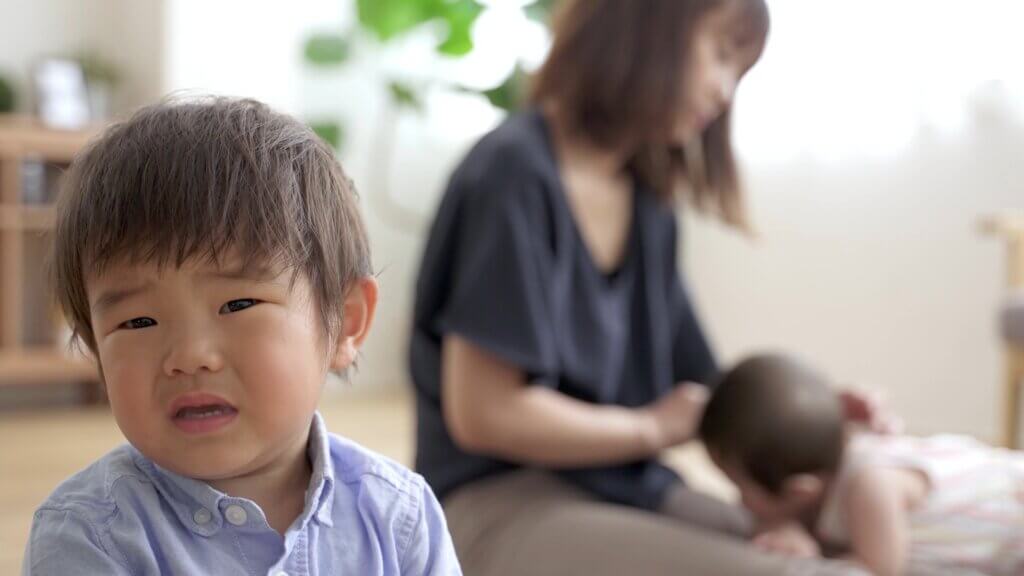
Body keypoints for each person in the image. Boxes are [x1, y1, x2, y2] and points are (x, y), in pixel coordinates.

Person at [410, 0, 879, 573]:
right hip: (495, 504)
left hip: (626, 488)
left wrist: (814, 420)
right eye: (722, 55)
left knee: (825, 538)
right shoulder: (513, 176)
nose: (726, 91)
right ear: (645, 26)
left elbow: (707, 392)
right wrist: (650, 427)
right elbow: (484, 413)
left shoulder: (648, 200)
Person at [23, 97, 461, 575]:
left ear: (346, 320)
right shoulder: (87, 537)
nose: (189, 357)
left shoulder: (399, 518)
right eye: (138, 322)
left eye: (237, 305)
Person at [700, 353, 1024, 576]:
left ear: (800, 490)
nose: (739, 502)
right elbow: (772, 521)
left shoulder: (869, 487)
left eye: (740, 487)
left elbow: (880, 569)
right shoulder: (824, 463)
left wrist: (813, 559)